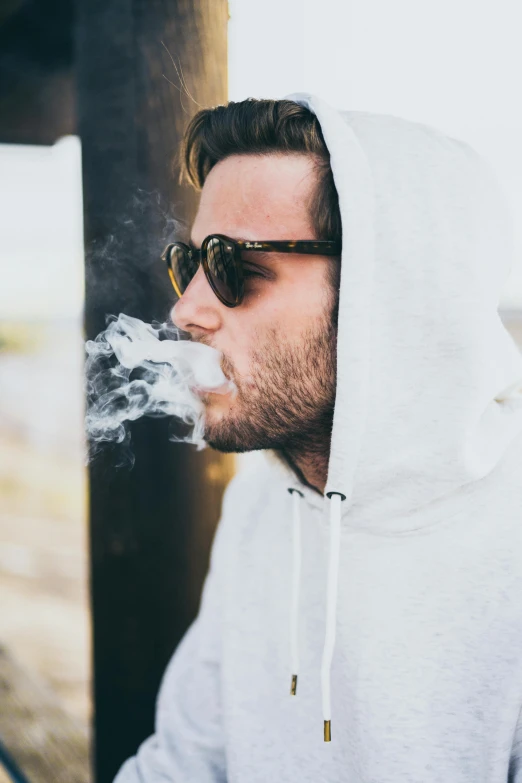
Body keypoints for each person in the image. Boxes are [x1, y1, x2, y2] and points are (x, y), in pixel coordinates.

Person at [114, 93, 522, 782]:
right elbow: (184, 765)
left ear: (386, 288)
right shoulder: (262, 502)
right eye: (189, 262)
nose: (186, 310)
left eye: (233, 265)